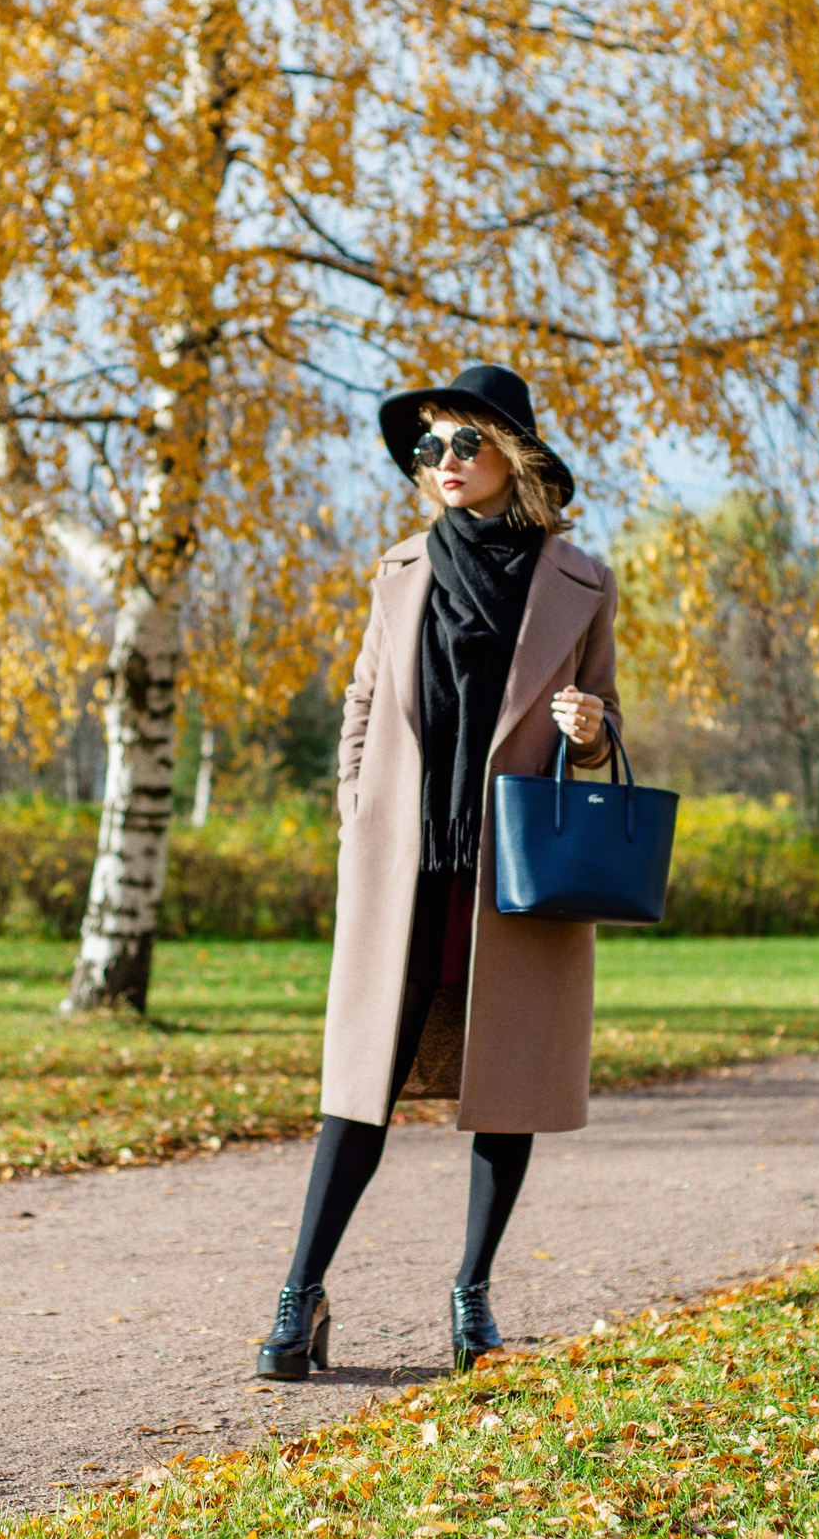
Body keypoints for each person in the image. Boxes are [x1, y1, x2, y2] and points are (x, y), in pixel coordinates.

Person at [256, 363, 619, 1380]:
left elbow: (601, 721)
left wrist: (590, 729)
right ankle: (298, 1298)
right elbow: (363, 705)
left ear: (515, 456)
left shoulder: (580, 580)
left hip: (514, 868)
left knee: (505, 1085)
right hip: (403, 864)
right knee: (357, 1082)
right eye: (428, 448)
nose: (442, 463)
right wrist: (355, 808)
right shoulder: (398, 571)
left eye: (462, 442)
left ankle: (471, 1297)